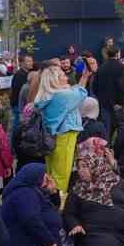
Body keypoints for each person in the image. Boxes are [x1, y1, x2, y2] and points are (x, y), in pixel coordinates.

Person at [35, 64, 90, 192]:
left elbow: (76, 92)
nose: (66, 77)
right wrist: (85, 77)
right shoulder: (63, 96)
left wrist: (84, 76)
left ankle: (48, 199)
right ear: (55, 80)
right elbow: (81, 93)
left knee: (51, 171)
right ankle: (58, 203)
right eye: (62, 75)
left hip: (51, 137)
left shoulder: (47, 96)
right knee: (62, 174)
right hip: (65, 135)